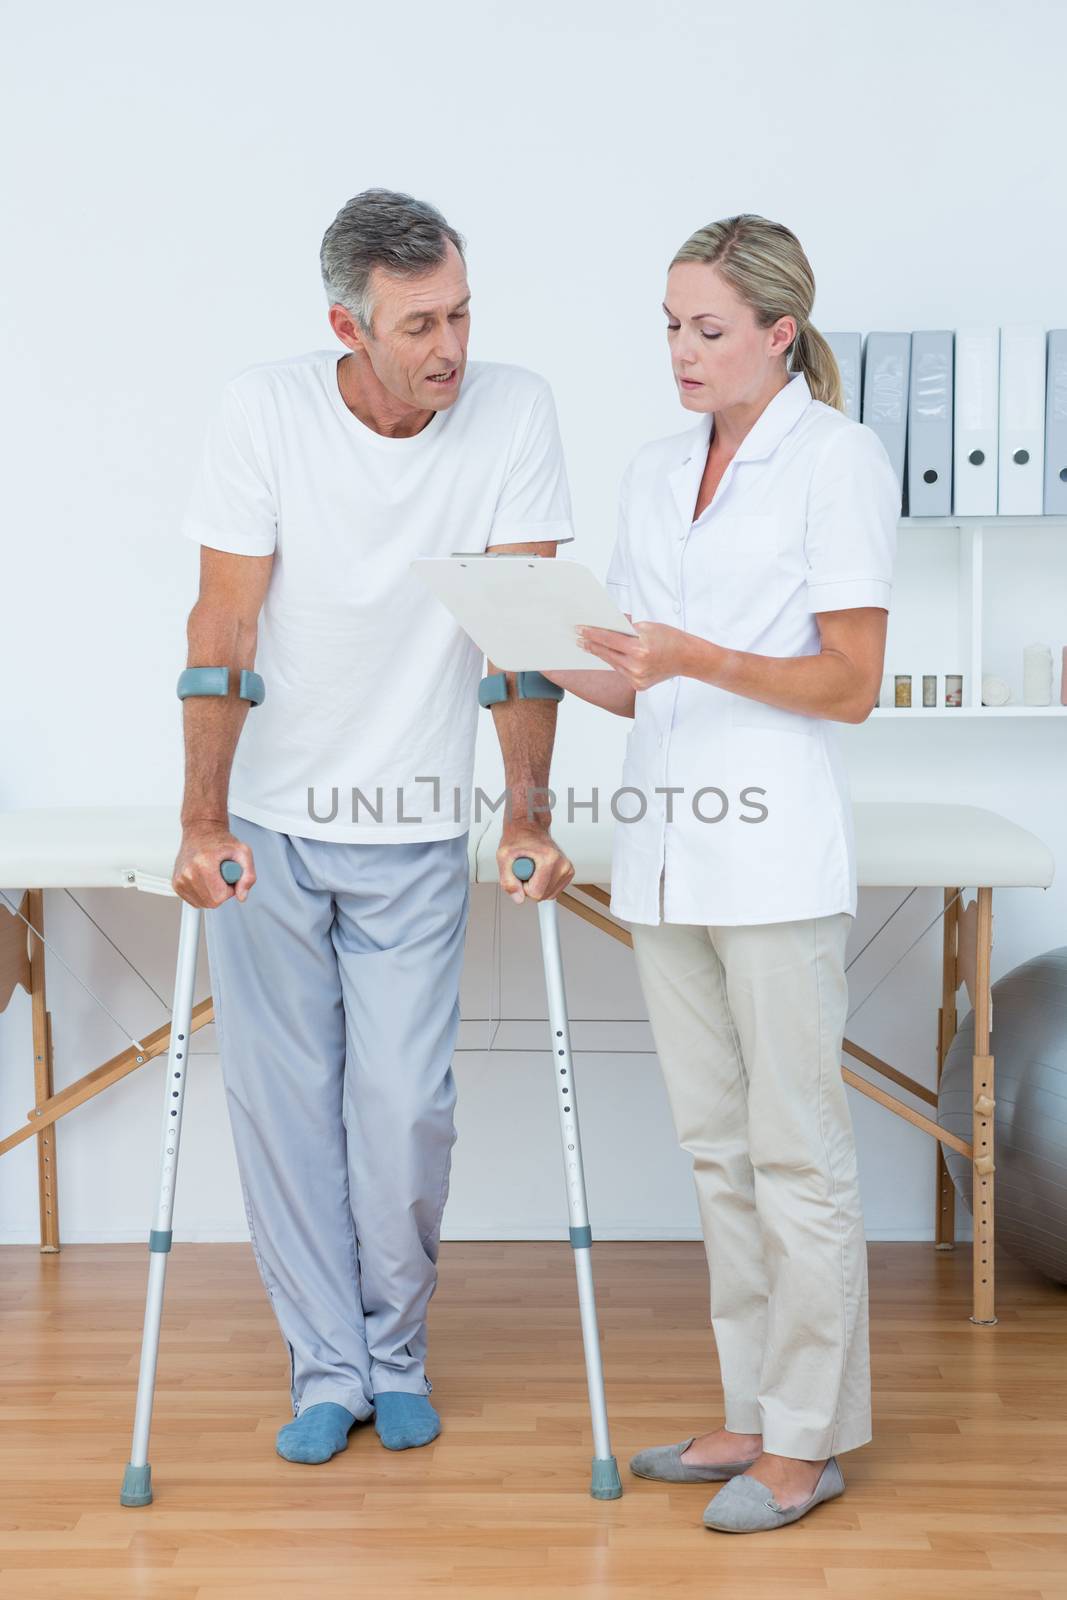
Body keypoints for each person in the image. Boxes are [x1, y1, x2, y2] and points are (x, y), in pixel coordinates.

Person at [171, 188, 576, 1466]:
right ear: (347, 323)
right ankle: (326, 1367)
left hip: (409, 822)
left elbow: (524, 641)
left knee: (402, 1108)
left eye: (459, 312)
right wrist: (200, 816)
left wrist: (526, 810)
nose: (449, 344)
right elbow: (222, 630)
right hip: (271, 827)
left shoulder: (512, 411)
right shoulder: (265, 411)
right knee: (287, 1110)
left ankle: (394, 1348)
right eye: (418, 324)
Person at [542, 213, 897, 1533]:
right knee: (714, 1152)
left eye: (706, 330)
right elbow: (638, 682)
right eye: (669, 328)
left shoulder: (836, 460)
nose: (681, 353)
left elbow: (847, 684)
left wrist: (697, 658)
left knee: (795, 1154)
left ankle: (806, 1444)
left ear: (775, 335)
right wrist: (529, 649)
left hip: (773, 854)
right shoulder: (652, 470)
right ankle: (750, 1410)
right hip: (667, 855)